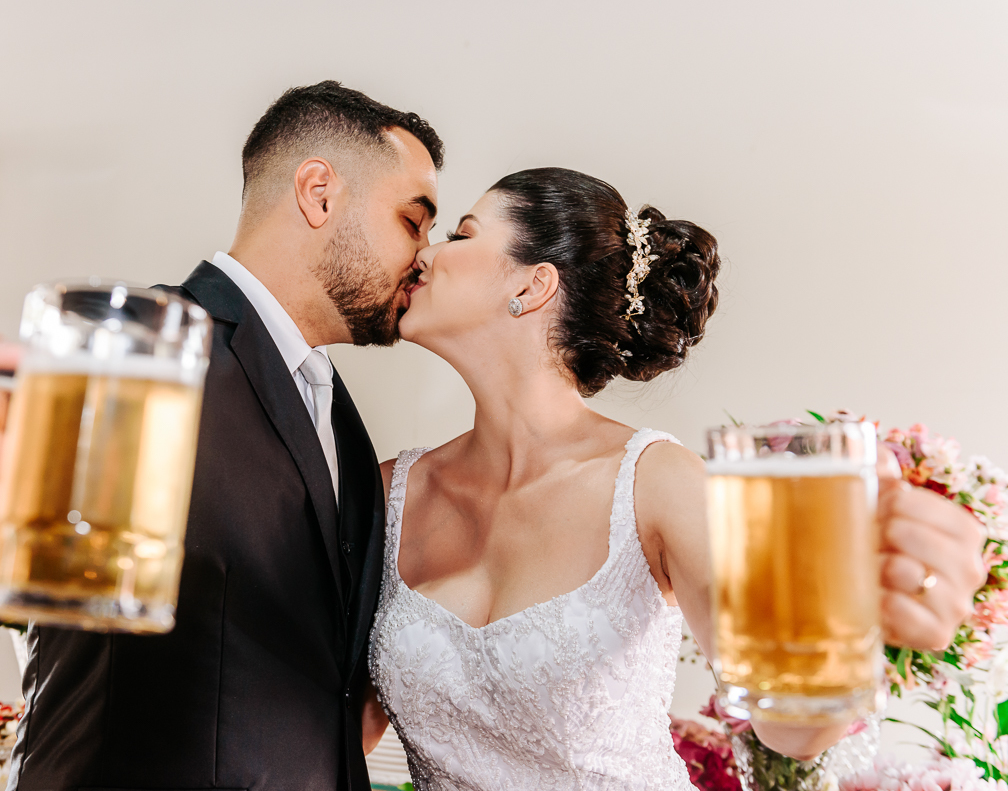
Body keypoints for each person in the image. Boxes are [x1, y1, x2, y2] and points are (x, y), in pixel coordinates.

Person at [0, 81, 443, 791]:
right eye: (412, 219)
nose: (425, 254)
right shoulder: (138, 358)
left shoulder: (343, 425)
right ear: (320, 194)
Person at [362, 168, 988, 789]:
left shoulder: (654, 481)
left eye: (463, 235)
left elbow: (788, 725)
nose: (426, 255)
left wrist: (852, 604)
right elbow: (333, 730)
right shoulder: (389, 491)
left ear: (534, 284)